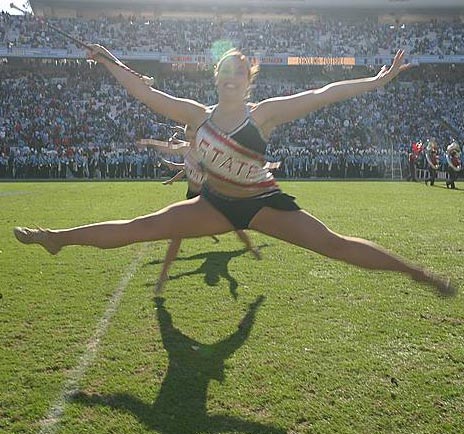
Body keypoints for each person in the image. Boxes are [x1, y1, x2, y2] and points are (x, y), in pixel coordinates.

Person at [13, 46, 456, 297]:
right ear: (216, 76)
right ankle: (57, 240)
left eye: (238, 72)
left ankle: (415, 273)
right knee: (137, 228)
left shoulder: (262, 114)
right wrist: (107, 60)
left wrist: (376, 82)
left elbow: (324, 93)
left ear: (249, 79)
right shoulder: (195, 115)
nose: (230, 76)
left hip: (263, 205)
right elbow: (145, 95)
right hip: (215, 205)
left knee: (333, 246)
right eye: (224, 70)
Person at [141, 125, 261, 294]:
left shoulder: (210, 152)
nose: (191, 140)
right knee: (177, 234)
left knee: (235, 225)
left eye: (193, 136)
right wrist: (148, 142)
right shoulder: (185, 149)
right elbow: (170, 149)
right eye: (188, 136)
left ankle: (251, 248)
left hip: (210, 198)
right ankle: (163, 277)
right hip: (193, 197)